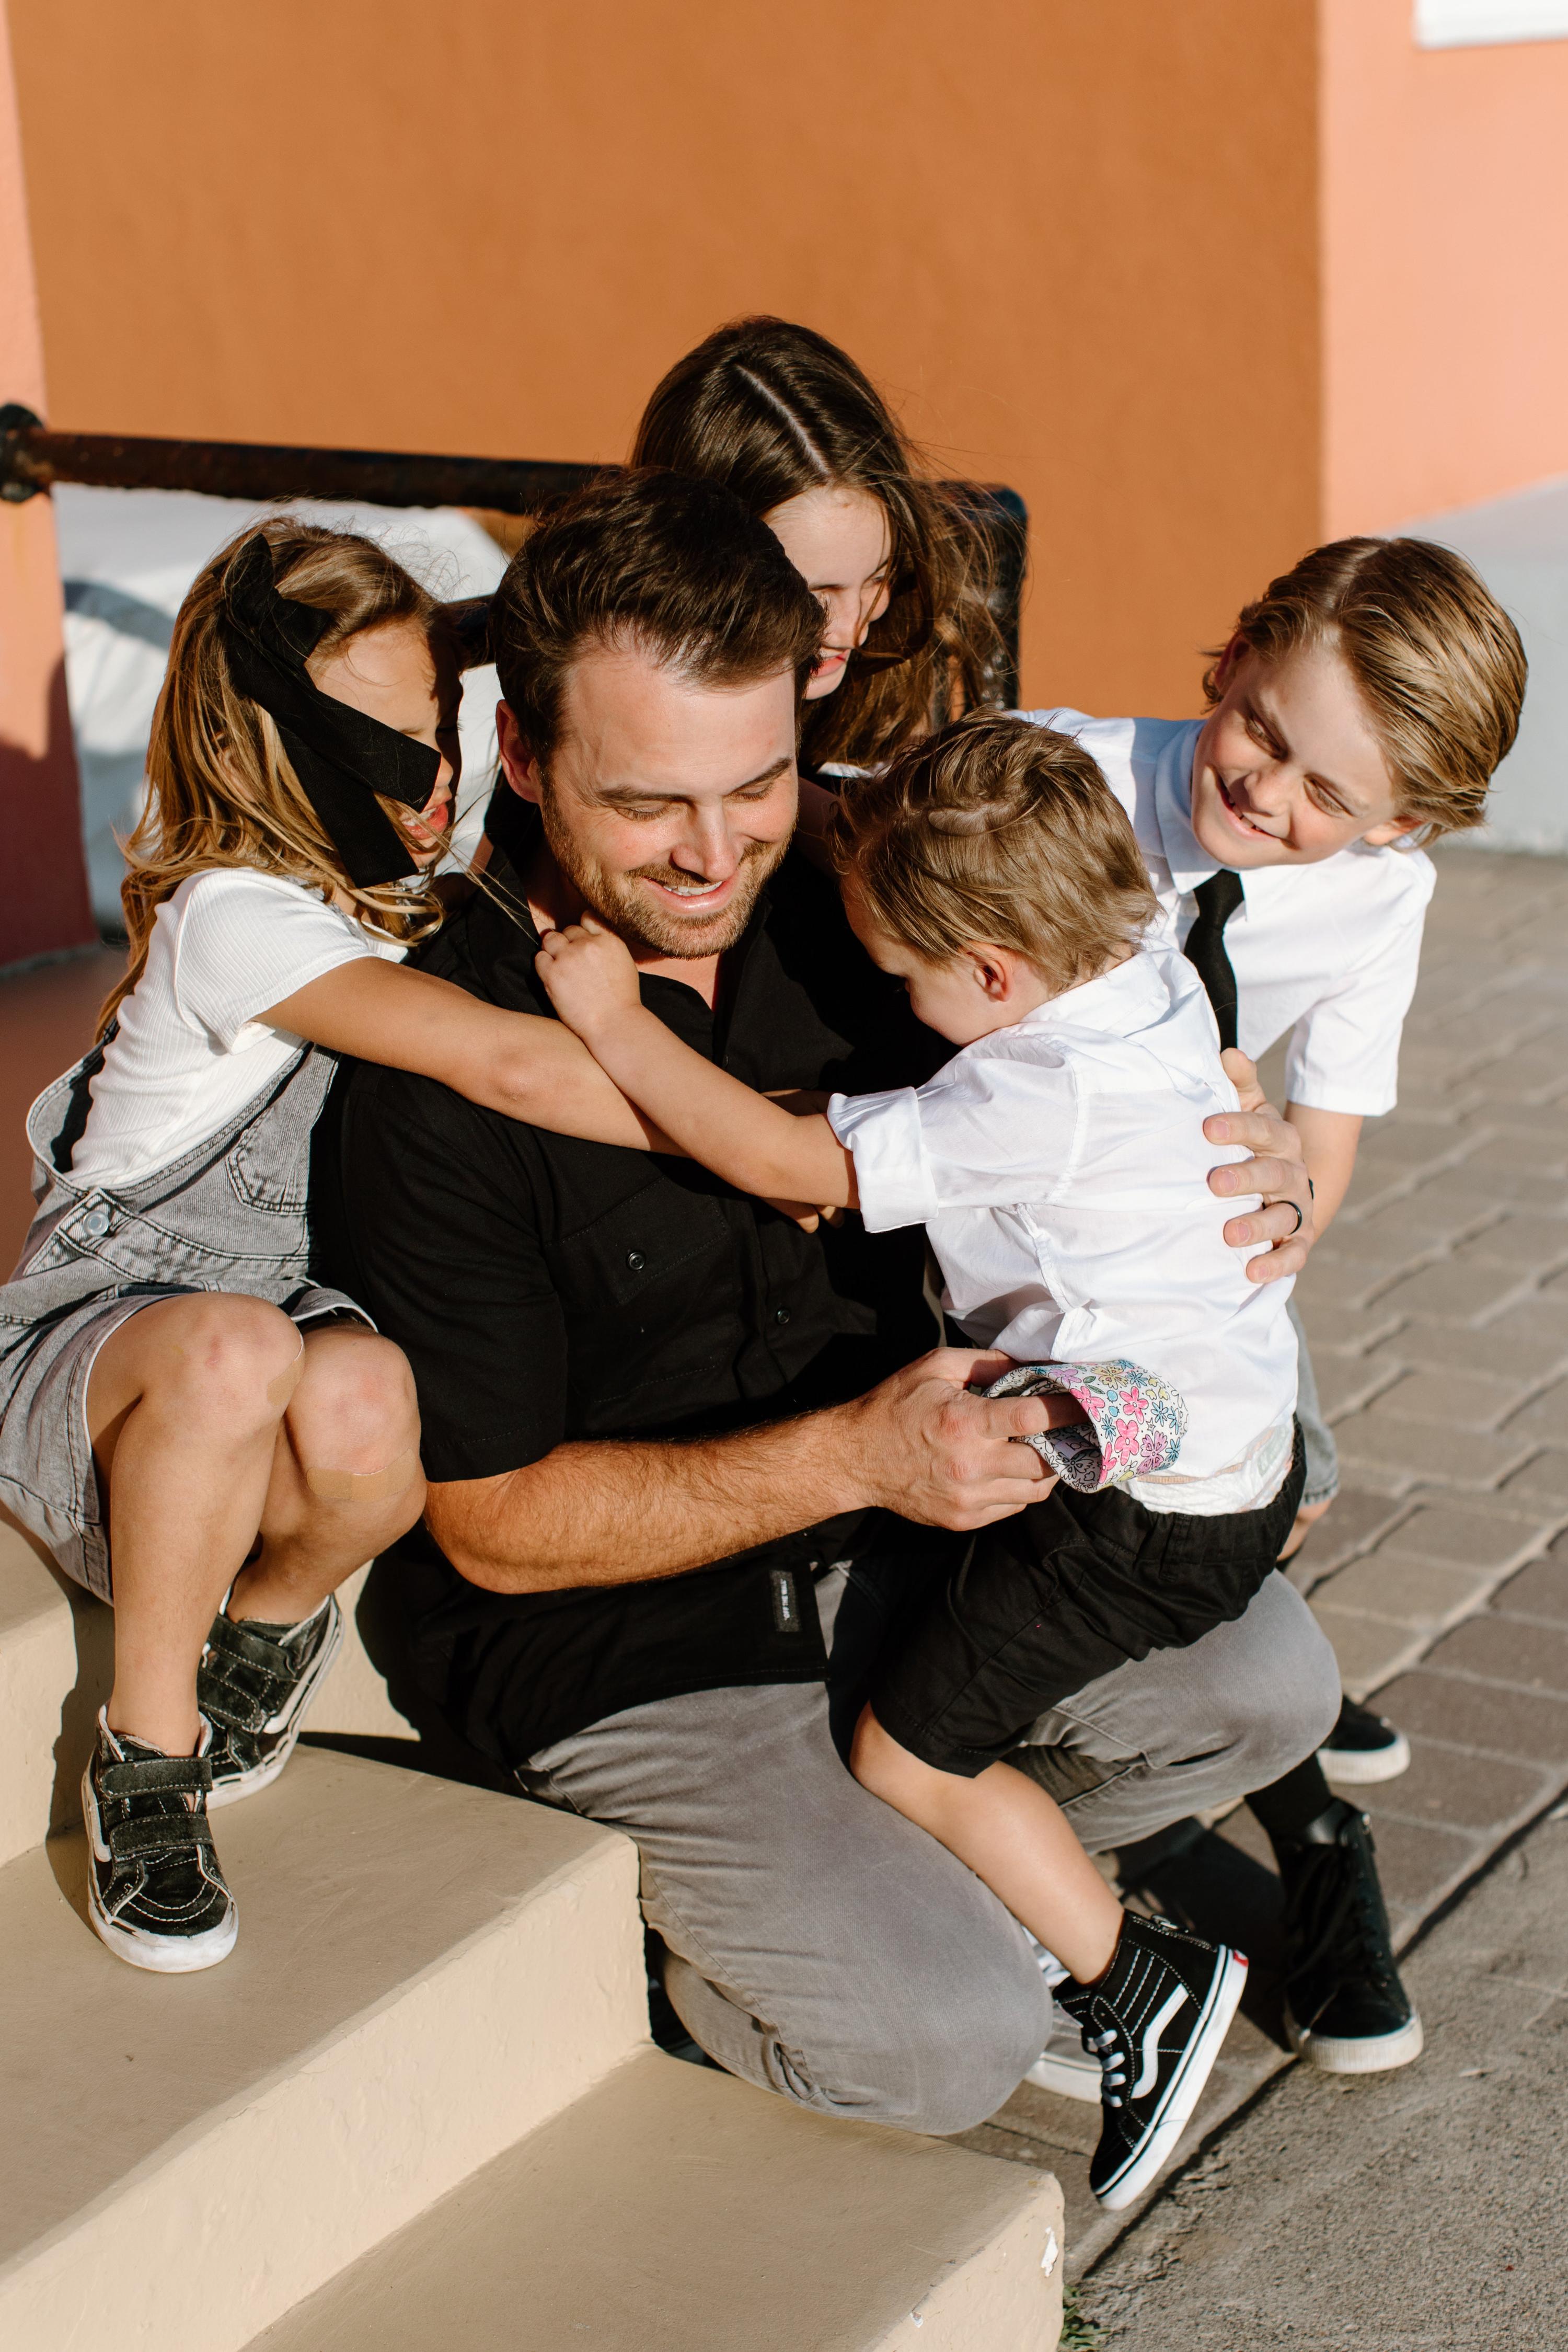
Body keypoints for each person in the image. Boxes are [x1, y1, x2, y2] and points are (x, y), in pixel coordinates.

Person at [326, 469, 1336, 2141]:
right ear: (525, 754)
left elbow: (1116, 1014)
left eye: (758, 783)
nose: (716, 849)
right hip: (635, 1638)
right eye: (649, 803)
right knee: (945, 2045)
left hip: (911, 1553)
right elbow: (495, 1531)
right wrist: (856, 1458)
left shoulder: (883, 899)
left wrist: (1253, 1142)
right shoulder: (440, 1066)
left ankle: (933, 1887)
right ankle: (722, 1961)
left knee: (1267, 1682)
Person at [535, 710, 1309, 2207]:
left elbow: (788, 1161)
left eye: (908, 977)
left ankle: (1132, 1976)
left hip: (1138, 1517)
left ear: (996, 975)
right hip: (1231, 1454)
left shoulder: (1025, 1088)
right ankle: (1016, 1907)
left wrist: (613, 1020)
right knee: (947, 1692)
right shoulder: (1142, 960)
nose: (899, 1000)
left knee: (909, 1751)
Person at [0, 518, 716, 1974]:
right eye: (392, 746)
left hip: (271, 1355)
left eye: (443, 728)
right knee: (237, 1347)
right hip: (105, 1367)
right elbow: (507, 1066)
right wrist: (780, 1141)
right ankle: (148, 1748)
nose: (437, 773)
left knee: (371, 1390)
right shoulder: (237, 916)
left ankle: (266, 1622)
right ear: (275, 745)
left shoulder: (385, 893)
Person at [1021, 533, 1527, 2072]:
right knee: (1168, 1496)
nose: (1264, 791)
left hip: (1192, 1249)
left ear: (1402, 820)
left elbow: (1321, 1146)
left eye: (1328, 792)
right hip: (1021, 1218)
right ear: (1235, 651)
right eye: (1261, 729)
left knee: (1283, 1474)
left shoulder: (1379, 893)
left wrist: (1277, 1225)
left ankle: (1263, 1742)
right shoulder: (1055, 778)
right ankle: (1301, 1819)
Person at [631, 314, 1006, 770]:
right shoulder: (616, 683)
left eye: (878, 578)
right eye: (816, 593)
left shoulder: (896, 663)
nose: (852, 631)